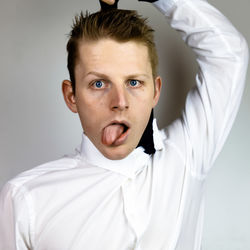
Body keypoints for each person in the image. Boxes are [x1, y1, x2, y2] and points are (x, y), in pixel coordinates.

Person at [0, 0, 248, 249]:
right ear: (71, 96)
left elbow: (230, 54)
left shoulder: (185, 158)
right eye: (99, 84)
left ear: (155, 91)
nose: (119, 102)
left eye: (133, 83)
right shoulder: (25, 199)